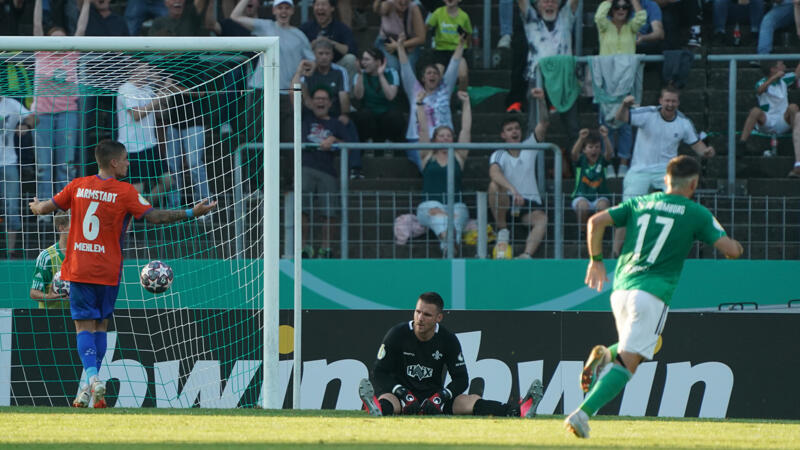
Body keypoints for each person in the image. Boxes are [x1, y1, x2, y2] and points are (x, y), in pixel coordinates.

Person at [564, 155, 743, 438]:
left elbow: (596, 221)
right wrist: (734, 244)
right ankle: (582, 414)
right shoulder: (695, 212)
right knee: (629, 362)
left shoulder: (640, 203)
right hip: (652, 293)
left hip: (621, 289)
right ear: (693, 183)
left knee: (644, 346)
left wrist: (596, 260)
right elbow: (731, 250)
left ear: (666, 180)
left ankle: (605, 356)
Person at [28, 139, 217, 408]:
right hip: (107, 271)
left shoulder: (77, 185)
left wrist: (36, 207)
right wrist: (191, 212)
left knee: (84, 327)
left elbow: (47, 208)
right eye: (126, 159)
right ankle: (89, 384)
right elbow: (155, 217)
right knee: (101, 326)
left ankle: (92, 380)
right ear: (114, 162)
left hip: (79, 268)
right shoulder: (125, 192)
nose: (129, 163)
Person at [358, 291, 544, 418]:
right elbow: (379, 372)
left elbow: (461, 379)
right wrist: (402, 392)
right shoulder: (397, 334)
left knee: (470, 401)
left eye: (427, 315)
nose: (420, 318)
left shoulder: (448, 339)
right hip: (402, 397)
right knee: (388, 400)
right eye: (417, 312)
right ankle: (375, 408)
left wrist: (441, 396)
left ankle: (517, 411)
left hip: (434, 400)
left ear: (439, 318)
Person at [613, 86, 715, 255]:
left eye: (673, 101)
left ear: (678, 103)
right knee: (627, 209)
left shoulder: (684, 123)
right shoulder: (648, 114)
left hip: (667, 172)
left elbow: (697, 145)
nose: (670, 104)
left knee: (679, 206)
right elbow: (621, 117)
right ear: (660, 101)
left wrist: (706, 152)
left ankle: (677, 249)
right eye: (667, 100)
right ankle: (615, 252)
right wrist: (624, 105)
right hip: (640, 169)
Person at [33, 0, 90, 222]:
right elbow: (37, 26)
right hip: (43, 116)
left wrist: (86, 4)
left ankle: (65, 209)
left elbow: (81, 28)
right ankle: (44, 212)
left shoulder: (71, 54)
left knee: (65, 166)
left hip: (68, 113)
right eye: (54, 37)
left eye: (63, 37)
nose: (59, 41)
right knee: (43, 167)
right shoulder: (41, 53)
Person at [231, 0, 315, 142]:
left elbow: (312, 62)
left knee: (290, 139)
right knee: (257, 137)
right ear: (274, 11)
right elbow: (235, 16)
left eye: (287, 8)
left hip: (287, 93)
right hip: (262, 91)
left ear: (292, 11)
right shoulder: (265, 26)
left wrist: (305, 69)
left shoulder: (299, 35)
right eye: (280, 8)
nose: (283, 11)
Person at [488, 89, 549, 259]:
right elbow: (494, 172)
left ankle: (526, 255)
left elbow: (544, 123)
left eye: (516, 128)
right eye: (509, 129)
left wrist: (542, 100)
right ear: (503, 135)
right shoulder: (499, 153)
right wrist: (513, 190)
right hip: (507, 201)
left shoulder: (530, 146)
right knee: (494, 186)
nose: (514, 132)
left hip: (529, 204)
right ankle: (502, 229)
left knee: (542, 219)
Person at [415, 90, 471, 257]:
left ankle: (447, 249)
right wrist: (419, 105)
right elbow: (423, 130)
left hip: (456, 205)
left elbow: (466, 130)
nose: (445, 139)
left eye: (449, 136)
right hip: (429, 205)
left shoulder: (458, 156)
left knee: (454, 220)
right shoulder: (427, 156)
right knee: (439, 217)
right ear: (435, 139)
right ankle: (451, 248)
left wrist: (466, 104)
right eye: (441, 136)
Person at [300, 87, 353, 258]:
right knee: (302, 210)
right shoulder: (304, 120)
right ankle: (303, 247)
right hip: (306, 167)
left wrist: (334, 140)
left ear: (330, 103)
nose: (320, 102)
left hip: (327, 171)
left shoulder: (336, 124)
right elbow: (295, 96)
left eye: (324, 99)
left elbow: (349, 147)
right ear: (312, 102)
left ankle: (325, 248)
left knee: (329, 212)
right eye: (317, 98)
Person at [594, 0, 646, 178]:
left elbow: (641, 17)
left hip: (626, 81)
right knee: (605, 124)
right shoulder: (604, 26)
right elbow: (599, 16)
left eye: (625, 7)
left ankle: (624, 164)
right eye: (617, 7)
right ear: (611, 9)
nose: (621, 10)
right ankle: (607, 162)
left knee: (625, 125)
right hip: (607, 81)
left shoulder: (632, 27)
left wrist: (633, 1)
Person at [397, 34, 463, 171]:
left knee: (449, 169)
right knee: (429, 168)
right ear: (422, 78)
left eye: (435, 73)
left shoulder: (445, 89)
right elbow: (405, 69)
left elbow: (454, 65)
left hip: (444, 140)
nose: (432, 75)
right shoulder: (414, 90)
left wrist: (460, 45)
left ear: (440, 78)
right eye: (429, 73)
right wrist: (400, 47)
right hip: (417, 140)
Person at [517, 0, 580, 144]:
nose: (549, 5)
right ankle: (530, 164)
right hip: (537, 77)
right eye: (545, 2)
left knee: (573, 128)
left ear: (559, 5)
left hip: (565, 79)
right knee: (534, 126)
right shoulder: (531, 19)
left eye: (553, 1)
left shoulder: (565, 17)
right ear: (538, 6)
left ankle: (577, 164)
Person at [116, 63, 172, 204]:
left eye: (149, 69)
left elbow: (160, 113)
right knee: (138, 189)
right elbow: (136, 115)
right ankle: (130, 219)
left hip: (150, 144)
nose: (148, 73)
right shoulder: (126, 89)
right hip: (132, 147)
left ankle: (144, 210)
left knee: (168, 181)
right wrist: (159, 97)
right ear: (135, 70)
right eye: (145, 69)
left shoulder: (148, 89)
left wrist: (165, 92)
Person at [739, 60, 800, 178]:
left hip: (783, 120)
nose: (784, 66)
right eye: (781, 65)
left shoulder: (784, 80)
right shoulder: (761, 82)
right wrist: (774, 78)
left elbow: (797, 73)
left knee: (793, 108)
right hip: (767, 120)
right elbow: (759, 90)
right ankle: (742, 144)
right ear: (773, 69)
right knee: (755, 111)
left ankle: (796, 138)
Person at [0, 96, 36, 258]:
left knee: (12, 208)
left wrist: (26, 125)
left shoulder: (11, 104)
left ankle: (10, 252)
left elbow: (34, 117)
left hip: (9, 162)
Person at [351, 48, 406, 147]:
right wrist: (360, 75)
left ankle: (390, 144)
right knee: (363, 115)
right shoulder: (359, 75)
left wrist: (380, 75)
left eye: (367, 59)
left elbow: (390, 96)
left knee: (395, 116)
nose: (363, 62)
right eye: (362, 59)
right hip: (369, 115)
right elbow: (358, 96)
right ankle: (368, 143)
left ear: (378, 62)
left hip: (386, 115)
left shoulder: (391, 72)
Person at [300, 0, 359, 77]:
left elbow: (352, 50)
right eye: (317, 5)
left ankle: (347, 88)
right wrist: (313, 45)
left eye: (324, 5)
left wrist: (330, 43)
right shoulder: (305, 27)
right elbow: (297, 51)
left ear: (332, 8)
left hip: (336, 65)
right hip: (313, 65)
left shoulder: (342, 28)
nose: (320, 8)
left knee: (351, 59)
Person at [570, 127, 614, 228]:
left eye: (597, 147)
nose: (594, 150)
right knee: (583, 207)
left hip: (600, 196)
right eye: (590, 147)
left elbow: (609, 154)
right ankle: (582, 232)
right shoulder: (581, 160)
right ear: (584, 150)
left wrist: (605, 137)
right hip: (581, 196)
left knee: (603, 207)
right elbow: (574, 154)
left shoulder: (602, 160)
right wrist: (581, 139)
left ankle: (598, 235)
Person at [427, 0, 472, 91]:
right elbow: (427, 27)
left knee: (463, 75)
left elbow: (469, 35)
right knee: (437, 74)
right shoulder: (438, 13)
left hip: (458, 50)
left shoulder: (464, 16)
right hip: (441, 51)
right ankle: (436, 100)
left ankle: (462, 98)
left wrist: (465, 45)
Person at [29, 211, 71, 309]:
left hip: (78, 316)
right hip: (50, 317)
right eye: (74, 225)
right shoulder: (46, 256)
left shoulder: (83, 255)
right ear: (61, 227)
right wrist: (48, 297)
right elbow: (34, 293)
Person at [373, 0, 426, 73]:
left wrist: (399, 45)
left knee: (408, 67)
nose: (403, 2)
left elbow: (421, 38)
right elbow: (377, 8)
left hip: (408, 44)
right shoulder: (388, 5)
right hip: (387, 42)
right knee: (394, 67)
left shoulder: (413, 8)